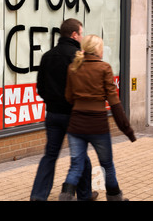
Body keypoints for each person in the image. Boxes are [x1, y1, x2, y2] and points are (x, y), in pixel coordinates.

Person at [59, 34, 136, 201]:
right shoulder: (104, 68)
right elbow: (115, 103)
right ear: (98, 50)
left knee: (76, 166)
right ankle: (115, 198)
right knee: (107, 165)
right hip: (97, 126)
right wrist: (127, 130)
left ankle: (65, 197)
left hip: (76, 126)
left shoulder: (73, 68)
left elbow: (69, 98)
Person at [30, 18, 97, 201]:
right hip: (74, 116)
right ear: (74, 34)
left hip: (53, 115)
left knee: (49, 156)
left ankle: (38, 196)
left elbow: (40, 88)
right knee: (81, 156)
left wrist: (53, 102)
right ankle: (85, 195)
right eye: (81, 33)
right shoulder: (79, 57)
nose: (82, 37)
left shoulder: (48, 56)